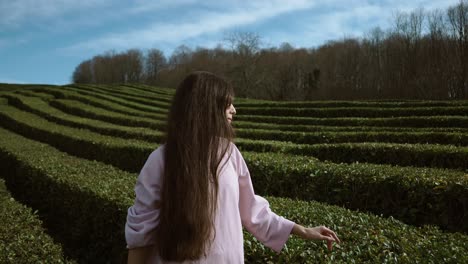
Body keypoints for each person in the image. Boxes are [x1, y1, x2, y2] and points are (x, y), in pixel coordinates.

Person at [125, 71, 340, 263]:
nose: (234, 110)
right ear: (207, 106)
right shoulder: (161, 159)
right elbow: (141, 233)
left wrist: (302, 230)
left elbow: (252, 210)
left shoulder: (229, 153)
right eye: (227, 104)